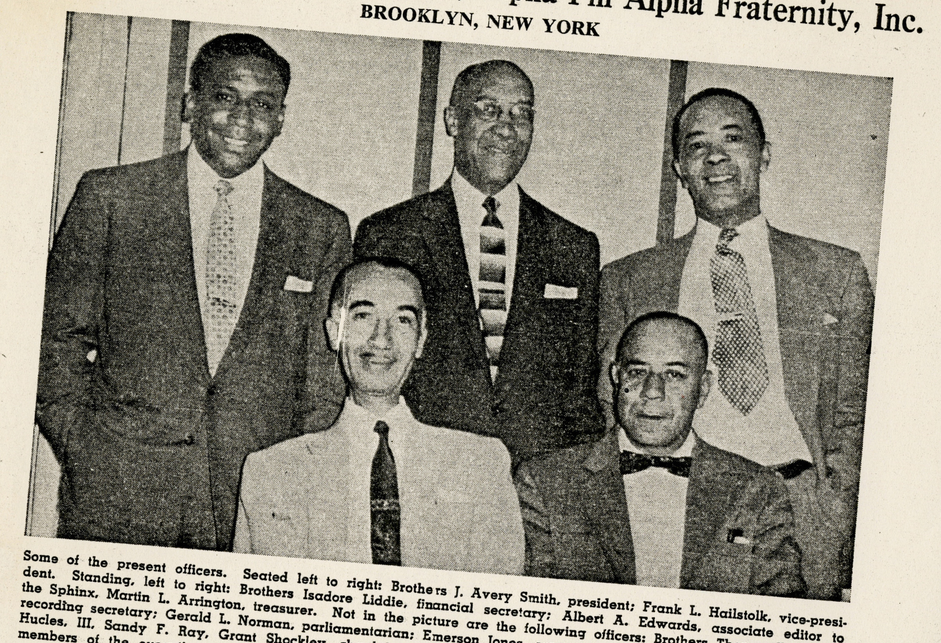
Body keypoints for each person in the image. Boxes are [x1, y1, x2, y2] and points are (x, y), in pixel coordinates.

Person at [35, 33, 351, 550]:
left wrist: (292, 476)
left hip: (256, 505)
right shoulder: (113, 198)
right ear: (190, 104)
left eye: (262, 104)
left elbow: (323, 382)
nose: (243, 119)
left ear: (281, 119)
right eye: (225, 98)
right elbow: (52, 343)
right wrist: (84, 447)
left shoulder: (319, 228)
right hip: (118, 498)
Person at [598, 88, 873, 599]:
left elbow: (859, 416)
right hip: (675, 508)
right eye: (696, 145)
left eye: (733, 139)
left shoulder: (837, 273)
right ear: (679, 166)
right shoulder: (627, 280)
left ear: (764, 153)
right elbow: (608, 405)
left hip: (802, 516)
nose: (716, 157)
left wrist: (834, 519)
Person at [354, 60, 602, 460]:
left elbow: (580, 394)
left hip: (539, 477)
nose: (506, 128)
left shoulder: (573, 246)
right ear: (453, 120)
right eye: (488, 110)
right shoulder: (390, 234)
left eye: (522, 114)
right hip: (425, 466)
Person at [234, 258, 524, 574]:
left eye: (402, 320)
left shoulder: (481, 464)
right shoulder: (270, 474)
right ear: (334, 332)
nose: (380, 339)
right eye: (363, 316)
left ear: (421, 339)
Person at [517, 312, 805, 596]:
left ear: (703, 389)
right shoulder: (544, 481)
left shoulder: (760, 489)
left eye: (674, 374)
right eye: (638, 372)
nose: (653, 392)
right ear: (616, 378)